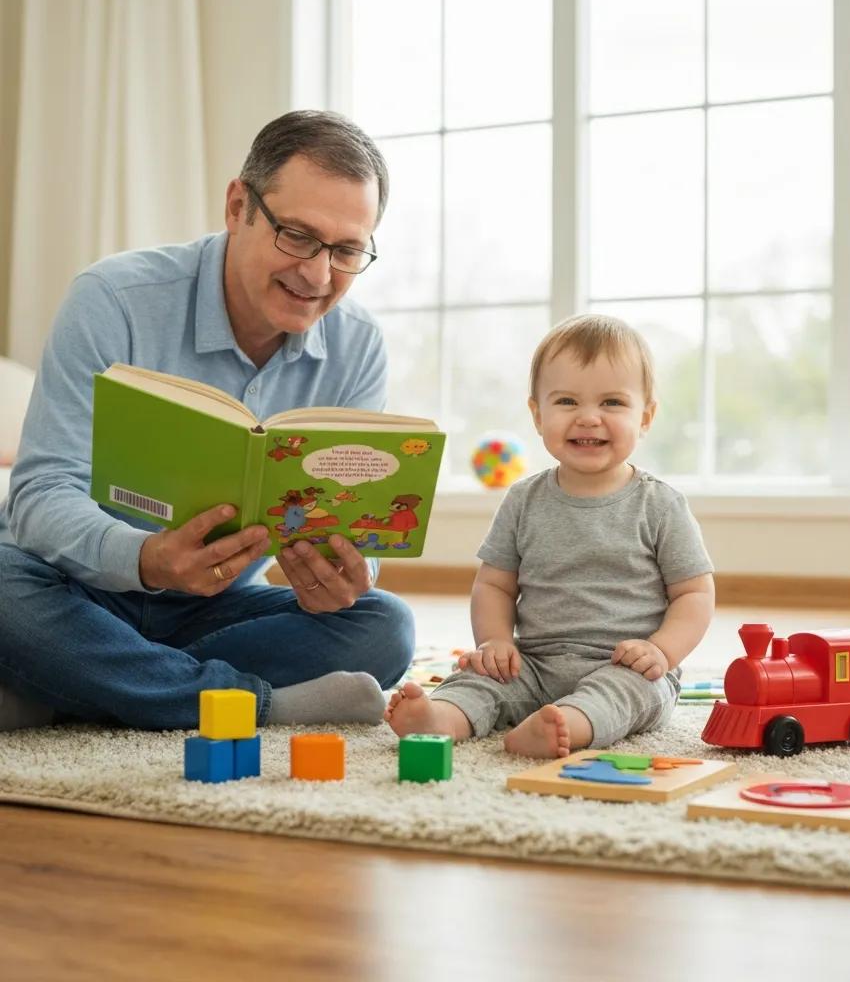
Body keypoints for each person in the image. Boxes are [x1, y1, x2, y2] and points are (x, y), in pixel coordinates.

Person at [0, 110, 416, 731]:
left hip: (210, 606)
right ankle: (255, 704)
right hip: (69, 587)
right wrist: (147, 557)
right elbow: (38, 495)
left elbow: (350, 517)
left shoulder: (357, 346)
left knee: (383, 625)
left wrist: (348, 572)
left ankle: (71, 685)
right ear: (237, 206)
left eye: (348, 250)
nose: (318, 273)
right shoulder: (112, 299)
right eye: (297, 236)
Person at [385, 314, 714, 758]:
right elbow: (495, 584)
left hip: (625, 664)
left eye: (613, 403)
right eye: (566, 402)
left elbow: (694, 592)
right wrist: (496, 642)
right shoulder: (523, 500)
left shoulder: (660, 505)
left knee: (628, 694)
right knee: (480, 678)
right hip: (534, 662)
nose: (589, 418)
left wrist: (661, 651)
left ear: (646, 417)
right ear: (538, 415)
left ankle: (567, 725)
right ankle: (441, 718)